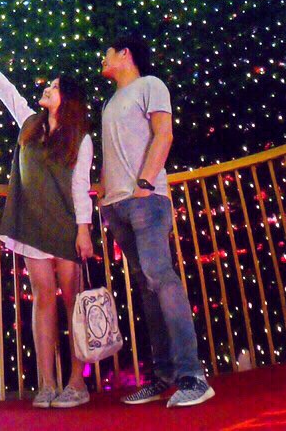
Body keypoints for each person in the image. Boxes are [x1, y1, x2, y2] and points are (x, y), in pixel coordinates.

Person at [0, 34, 94, 409]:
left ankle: (77, 383)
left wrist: (84, 231)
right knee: (43, 300)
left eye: (55, 86)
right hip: (33, 225)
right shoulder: (31, 124)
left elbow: (81, 187)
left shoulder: (79, 138)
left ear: (68, 98)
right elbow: (4, 89)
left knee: (74, 302)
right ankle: (47, 383)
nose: (47, 88)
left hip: (66, 227)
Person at [97, 36, 214, 409]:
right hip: (116, 206)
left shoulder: (151, 85)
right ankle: (163, 376)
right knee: (147, 288)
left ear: (125, 54)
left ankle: (192, 376)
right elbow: (112, 153)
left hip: (146, 201)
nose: (103, 58)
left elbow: (164, 132)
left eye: (108, 52)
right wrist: (104, 196)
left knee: (161, 278)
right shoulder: (108, 104)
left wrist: (145, 184)